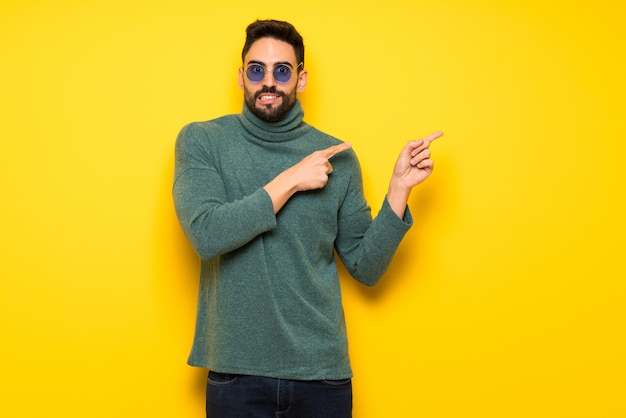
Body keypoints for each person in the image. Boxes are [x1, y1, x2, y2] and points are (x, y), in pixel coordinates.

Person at [173, 19, 443, 418]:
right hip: (236, 376)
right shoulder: (203, 141)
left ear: (300, 79)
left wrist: (399, 190)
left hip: (322, 377)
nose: (268, 81)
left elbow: (365, 267)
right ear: (240, 76)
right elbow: (206, 233)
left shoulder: (337, 157)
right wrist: (290, 181)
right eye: (256, 69)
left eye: (282, 70)